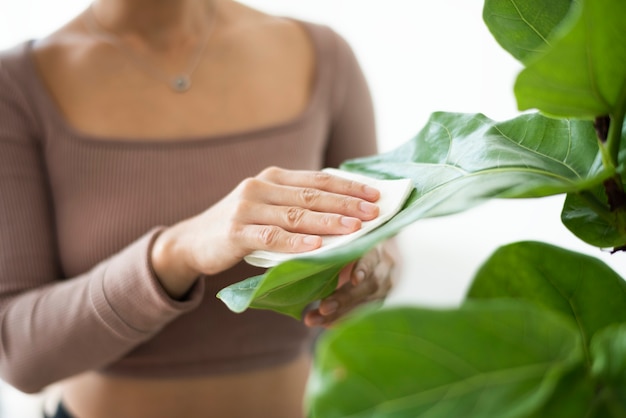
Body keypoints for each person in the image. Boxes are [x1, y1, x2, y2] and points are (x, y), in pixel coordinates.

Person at [0, 0, 397, 417]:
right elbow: (17, 353)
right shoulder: (17, 86)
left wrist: (373, 272)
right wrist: (175, 252)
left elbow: (380, 244)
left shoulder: (324, 55)